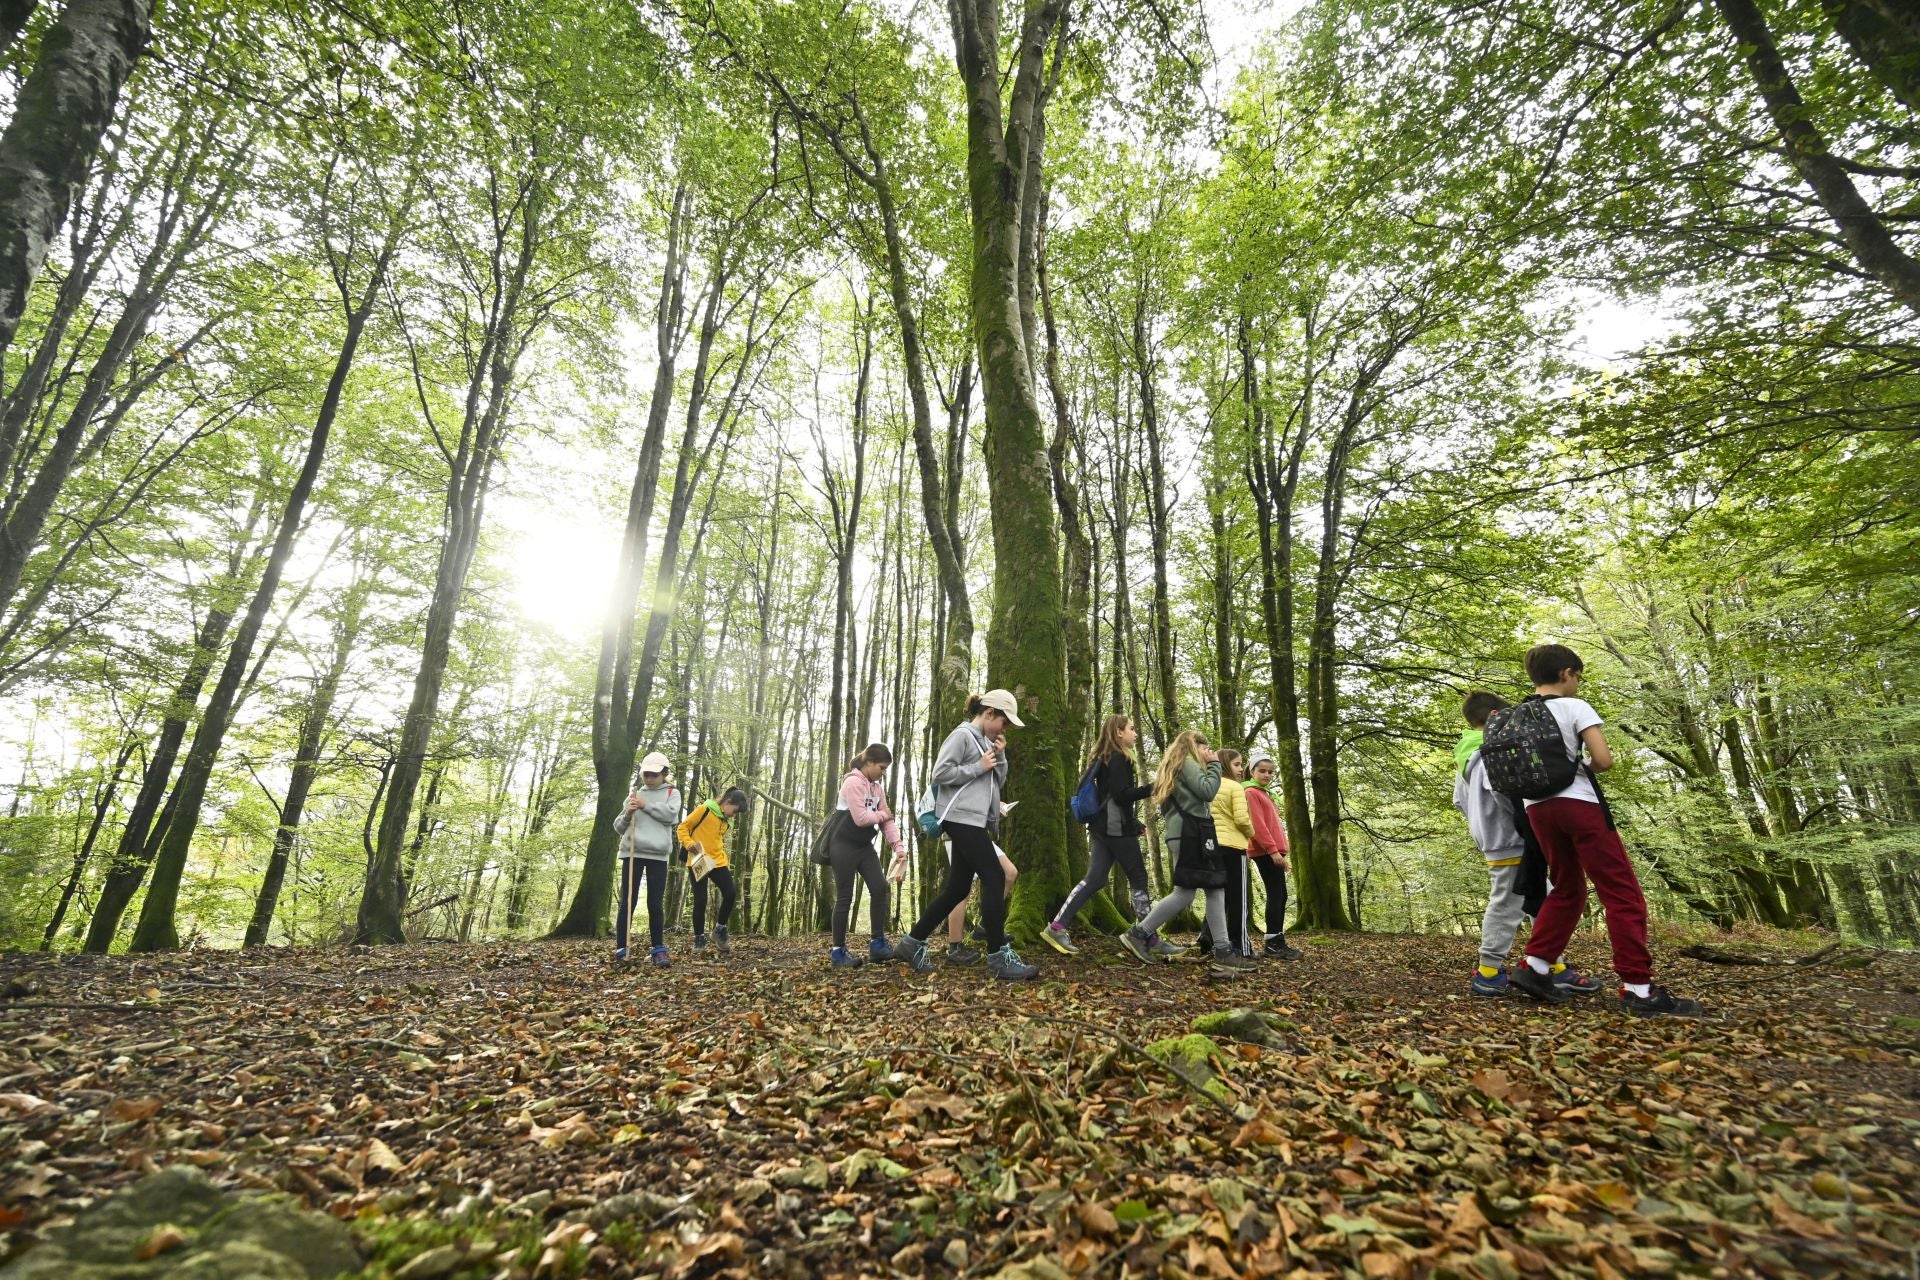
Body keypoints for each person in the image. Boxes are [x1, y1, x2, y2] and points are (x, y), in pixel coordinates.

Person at [1499, 645, 1704, 1017]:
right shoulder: (1575, 707)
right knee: (1621, 892)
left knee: (1567, 888)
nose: (1578, 682)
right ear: (1565, 673)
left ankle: (1536, 968)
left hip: (1537, 811)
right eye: (1578, 675)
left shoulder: (1517, 714)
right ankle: (1639, 990)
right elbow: (1604, 760)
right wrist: (1582, 768)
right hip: (1579, 806)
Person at [892, 690, 1039, 981]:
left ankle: (912, 942)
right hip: (960, 819)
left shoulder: (986, 741)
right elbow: (940, 773)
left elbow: (997, 781)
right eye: (1003, 722)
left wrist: (1001, 755)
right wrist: (977, 767)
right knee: (995, 876)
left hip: (974, 820)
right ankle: (998, 957)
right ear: (989, 714)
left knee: (958, 888)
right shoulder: (961, 736)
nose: (1004, 729)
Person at [1452, 694, 1592, 996]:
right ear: (1493, 715)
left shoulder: (1465, 756)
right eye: (1505, 717)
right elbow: (1507, 794)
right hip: (1510, 840)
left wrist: (1483, 828)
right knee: (1508, 902)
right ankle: (1488, 971)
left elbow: (1459, 802)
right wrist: (1526, 825)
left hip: (1499, 839)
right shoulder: (1492, 750)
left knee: (1543, 898)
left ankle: (1551, 965)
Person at [1042, 714, 1178, 957]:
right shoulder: (1119, 758)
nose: (1135, 733)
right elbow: (1121, 795)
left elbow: (1112, 796)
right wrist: (1155, 787)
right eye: (1132, 729)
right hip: (1115, 829)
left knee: (1094, 879)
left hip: (1102, 827)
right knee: (1138, 878)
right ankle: (1148, 937)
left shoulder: (1105, 758)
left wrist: (1134, 822)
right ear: (1118, 732)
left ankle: (1057, 926)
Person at [1121, 731, 1253, 975]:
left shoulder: (1176, 768)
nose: (1209, 752)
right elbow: (1207, 791)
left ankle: (1221, 951)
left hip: (1188, 834)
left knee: (1203, 890)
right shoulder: (1187, 763)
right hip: (1189, 835)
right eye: (1205, 748)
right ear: (1194, 746)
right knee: (1197, 890)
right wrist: (1214, 765)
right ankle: (1140, 934)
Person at [830, 744, 908, 969]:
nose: (883, 772)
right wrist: (884, 813)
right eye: (882, 768)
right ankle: (838, 953)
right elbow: (861, 818)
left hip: (863, 846)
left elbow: (887, 821)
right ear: (869, 763)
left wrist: (898, 847)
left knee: (879, 886)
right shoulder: (852, 783)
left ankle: (877, 944)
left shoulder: (877, 789)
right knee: (845, 896)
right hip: (842, 845)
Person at [611, 751, 680, 966]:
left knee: (655, 902)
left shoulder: (671, 793)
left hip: (658, 854)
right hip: (633, 852)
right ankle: (622, 948)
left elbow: (671, 817)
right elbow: (619, 827)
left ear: (664, 774)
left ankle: (658, 949)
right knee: (627, 903)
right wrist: (628, 814)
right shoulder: (634, 794)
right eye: (646, 774)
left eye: (654, 774)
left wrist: (645, 806)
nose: (649, 778)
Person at [1193, 749, 1256, 958]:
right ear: (1226, 765)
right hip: (1234, 848)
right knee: (1238, 899)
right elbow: (1241, 819)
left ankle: (1206, 936)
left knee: (1217, 895)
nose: (1241, 769)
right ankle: (1241, 947)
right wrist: (1251, 833)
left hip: (1211, 845)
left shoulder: (1207, 786)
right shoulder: (1234, 787)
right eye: (1237, 764)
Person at [677, 786, 747, 958]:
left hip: (717, 861)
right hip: (698, 859)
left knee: (730, 893)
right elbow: (682, 827)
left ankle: (719, 930)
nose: (733, 815)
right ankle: (699, 938)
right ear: (728, 802)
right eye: (735, 811)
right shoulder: (705, 809)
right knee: (701, 900)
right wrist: (688, 843)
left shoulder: (726, 819)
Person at [1244, 751, 1300, 959]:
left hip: (1273, 850)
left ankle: (1275, 941)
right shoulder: (1251, 792)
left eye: (1270, 772)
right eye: (1262, 771)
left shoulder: (1264, 793)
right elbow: (1258, 826)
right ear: (1252, 771)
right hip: (1266, 851)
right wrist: (1273, 851)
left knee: (1280, 894)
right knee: (1276, 894)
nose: (1267, 775)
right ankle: (1273, 944)